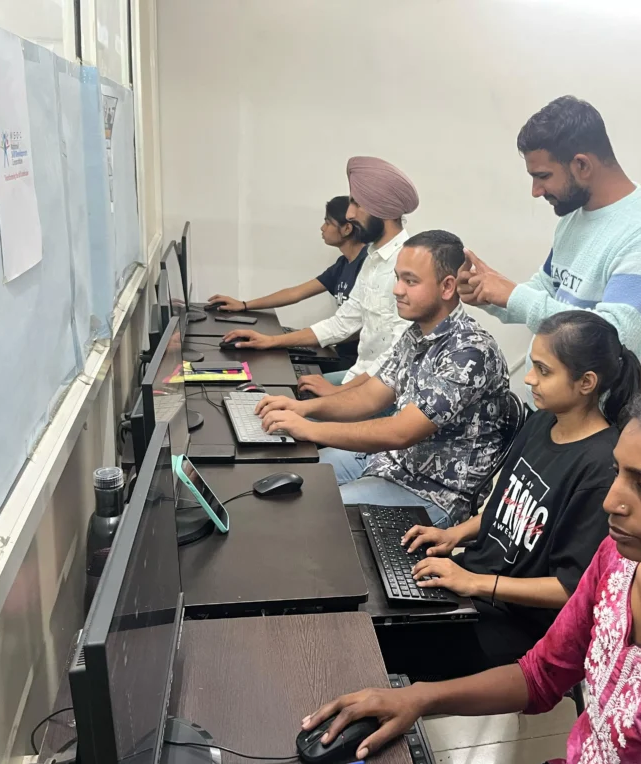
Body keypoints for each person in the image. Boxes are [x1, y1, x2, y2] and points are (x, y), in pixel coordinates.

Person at [301, 385, 641, 764]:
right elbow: (540, 675)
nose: (612, 501)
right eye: (618, 473)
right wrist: (417, 699)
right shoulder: (619, 562)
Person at [380, 311, 641, 679]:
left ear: (586, 382)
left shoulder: (601, 468)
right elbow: (504, 506)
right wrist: (454, 535)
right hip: (477, 588)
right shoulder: (541, 422)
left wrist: (474, 583)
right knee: (377, 602)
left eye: (543, 370)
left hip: (519, 622)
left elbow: (573, 589)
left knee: (382, 644)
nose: (529, 378)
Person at [255, 230, 510, 529]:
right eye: (398, 278)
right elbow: (370, 397)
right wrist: (303, 410)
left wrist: (310, 429)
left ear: (447, 287)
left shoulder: (469, 352)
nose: (397, 290)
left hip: (431, 491)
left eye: (410, 281)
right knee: (286, 479)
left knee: (310, 512)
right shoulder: (416, 334)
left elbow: (400, 432)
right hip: (391, 462)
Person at [457, 96, 641, 360]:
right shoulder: (573, 217)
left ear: (582, 165)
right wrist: (490, 293)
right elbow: (547, 288)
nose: (535, 191)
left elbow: (613, 338)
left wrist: (515, 295)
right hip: (543, 399)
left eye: (543, 176)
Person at [223, 157, 418, 394]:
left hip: (383, 391)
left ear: (382, 208)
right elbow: (342, 323)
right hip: (359, 377)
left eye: (357, 204)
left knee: (289, 406)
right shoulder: (373, 258)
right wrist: (269, 341)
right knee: (281, 393)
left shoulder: (409, 265)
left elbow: (395, 358)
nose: (350, 214)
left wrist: (337, 394)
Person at [207, 195, 367, 364]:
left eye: (328, 222)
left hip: (354, 362)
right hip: (338, 351)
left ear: (347, 229)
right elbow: (295, 293)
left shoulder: (367, 266)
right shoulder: (344, 264)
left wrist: (275, 340)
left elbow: (354, 328)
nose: (322, 228)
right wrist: (244, 304)